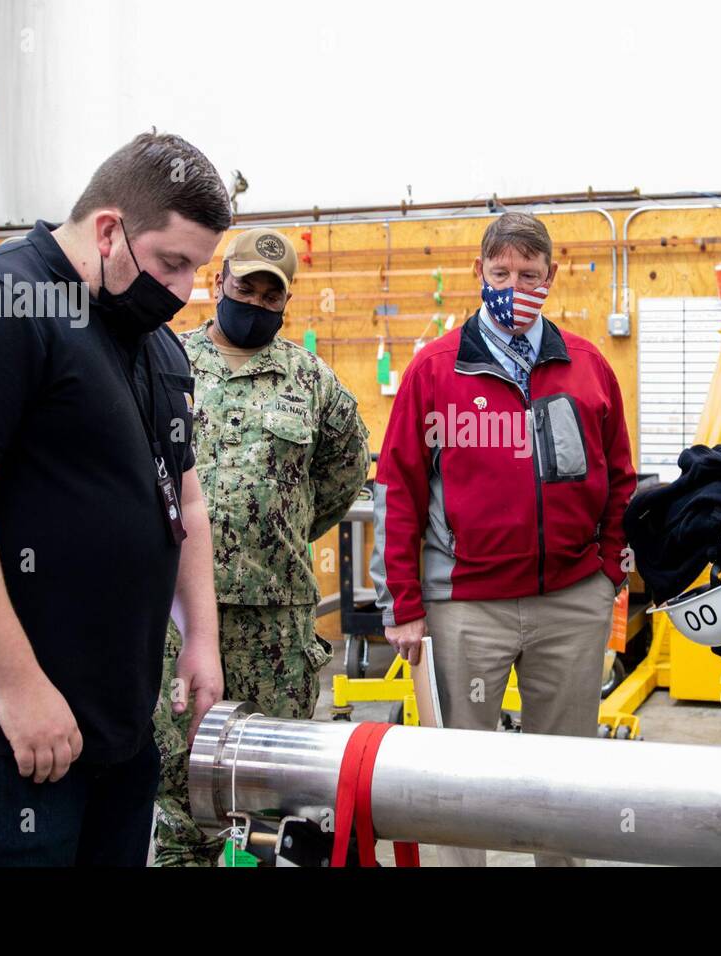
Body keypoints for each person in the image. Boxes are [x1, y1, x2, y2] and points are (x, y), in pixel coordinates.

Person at [0, 131, 229, 865]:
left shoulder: (150, 341)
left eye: (196, 268)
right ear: (107, 231)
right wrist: (20, 686)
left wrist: (201, 637)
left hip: (111, 727)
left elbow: (182, 500)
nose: (185, 290)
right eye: (171, 262)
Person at [371, 212, 636, 866]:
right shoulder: (435, 370)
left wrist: (606, 572)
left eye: (529, 274)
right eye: (501, 274)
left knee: (564, 774)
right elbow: (398, 487)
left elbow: (621, 476)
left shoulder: (588, 366)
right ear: (479, 275)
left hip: (571, 603)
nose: (514, 286)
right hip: (468, 608)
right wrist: (402, 604)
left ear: (551, 278)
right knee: (463, 780)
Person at [153, 228, 370, 866]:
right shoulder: (167, 362)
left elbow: (344, 473)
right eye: (245, 286)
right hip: (176, 619)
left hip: (276, 626)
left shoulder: (313, 381)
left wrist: (279, 531)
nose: (255, 300)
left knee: (276, 805)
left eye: (269, 294)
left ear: (285, 302)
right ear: (219, 282)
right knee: (181, 794)